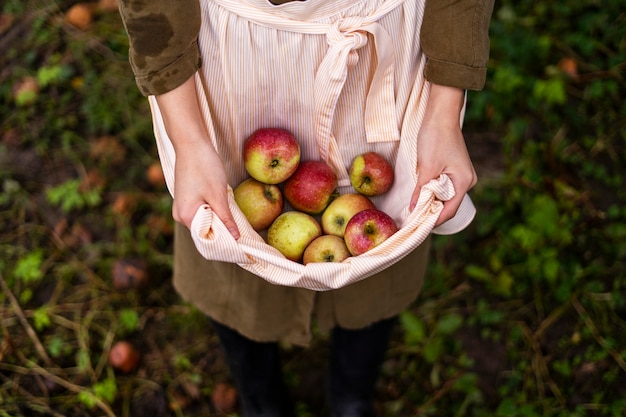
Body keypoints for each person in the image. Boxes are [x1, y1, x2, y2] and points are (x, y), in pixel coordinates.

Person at [118, 0, 494, 416]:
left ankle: (351, 395)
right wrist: (189, 138)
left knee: (387, 244)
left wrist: (443, 112)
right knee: (228, 235)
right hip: (238, 61)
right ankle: (260, 399)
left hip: (380, 54)